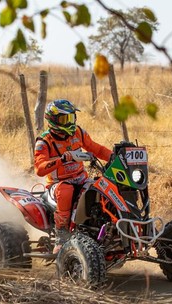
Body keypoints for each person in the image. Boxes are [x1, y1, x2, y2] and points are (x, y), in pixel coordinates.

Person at [34, 99, 113, 254]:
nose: (70, 122)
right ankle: (61, 234)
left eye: (71, 117)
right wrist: (63, 159)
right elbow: (40, 169)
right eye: (65, 119)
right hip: (58, 184)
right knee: (66, 190)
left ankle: (99, 229)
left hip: (81, 179)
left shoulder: (78, 132)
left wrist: (115, 157)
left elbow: (97, 149)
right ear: (53, 120)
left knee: (100, 188)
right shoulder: (44, 141)